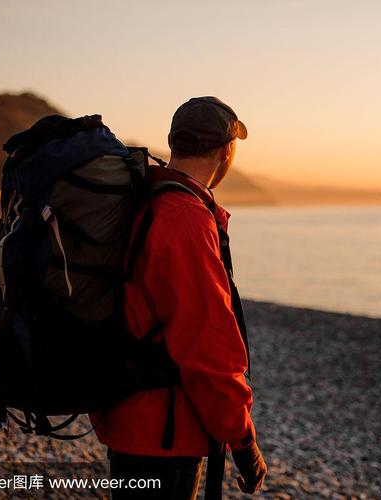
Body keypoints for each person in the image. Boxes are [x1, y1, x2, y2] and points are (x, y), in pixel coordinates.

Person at [90, 97, 267, 499]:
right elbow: (207, 347)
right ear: (227, 152)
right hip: (163, 431)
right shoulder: (185, 218)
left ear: (173, 141)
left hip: (129, 413)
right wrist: (243, 441)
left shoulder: (147, 199)